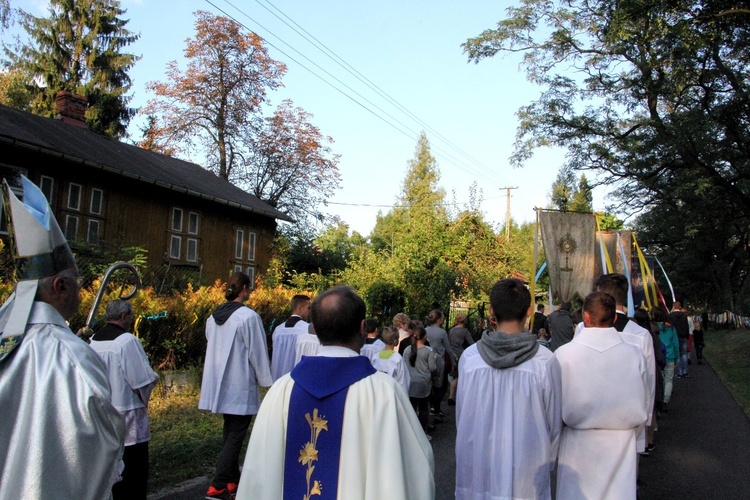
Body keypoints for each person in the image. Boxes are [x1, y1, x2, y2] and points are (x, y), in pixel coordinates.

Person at [237, 286, 434, 499]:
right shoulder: (384, 392)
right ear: (362, 327)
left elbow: (256, 474)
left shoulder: (280, 391)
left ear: (314, 328)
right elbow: (417, 468)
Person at [0, 175, 124, 499]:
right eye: (77, 282)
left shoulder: (9, 336)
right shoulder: (74, 357)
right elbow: (101, 456)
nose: (81, 291)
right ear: (60, 287)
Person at [455, 278, 562, 499]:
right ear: (529, 311)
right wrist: (547, 461)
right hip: (527, 469)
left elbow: (462, 416)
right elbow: (553, 423)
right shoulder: (545, 362)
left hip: (479, 464)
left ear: (491, 311)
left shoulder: (471, 358)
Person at [554, 292, 649, 499]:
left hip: (577, 443)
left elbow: (553, 408)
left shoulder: (564, 354)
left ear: (585, 317)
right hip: (621, 443)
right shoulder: (634, 354)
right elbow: (645, 400)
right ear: (614, 318)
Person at [199, 271, 272, 499]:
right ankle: (218, 484)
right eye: (249, 288)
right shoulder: (248, 317)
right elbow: (257, 351)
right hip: (240, 385)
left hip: (221, 384)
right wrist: (266, 381)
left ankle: (232, 482)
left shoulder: (213, 317)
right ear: (243, 289)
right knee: (236, 435)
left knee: (229, 431)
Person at [90, 299, 159, 499]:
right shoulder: (127, 341)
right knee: (133, 474)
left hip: (102, 413)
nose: (131, 321)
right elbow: (141, 380)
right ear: (123, 317)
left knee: (111, 473)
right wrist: (145, 397)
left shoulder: (92, 340)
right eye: (130, 317)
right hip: (127, 414)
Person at [596, 273, 656, 456]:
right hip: (628, 418)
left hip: (592, 418)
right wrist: (646, 418)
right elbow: (649, 382)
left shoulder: (585, 329)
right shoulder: (641, 335)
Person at [404, 325, 438, 436]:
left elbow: (404, 366)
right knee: (424, 408)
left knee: (412, 408)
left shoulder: (407, 350)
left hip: (410, 383)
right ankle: (423, 431)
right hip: (424, 383)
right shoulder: (428, 351)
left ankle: (411, 432)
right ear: (425, 337)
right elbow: (433, 368)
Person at [270, 294, 311, 381]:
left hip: (278, 379)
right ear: (300, 308)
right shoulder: (306, 329)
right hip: (295, 379)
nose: (309, 312)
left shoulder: (278, 330)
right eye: (308, 308)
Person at [425, 309, 456, 421]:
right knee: (440, 385)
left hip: (427, 359)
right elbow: (449, 349)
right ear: (439, 320)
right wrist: (453, 362)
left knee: (430, 384)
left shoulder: (425, 330)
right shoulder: (442, 332)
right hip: (439, 361)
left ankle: (431, 407)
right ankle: (436, 408)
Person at [653, 306, 679, 413]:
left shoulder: (652, 327)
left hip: (657, 356)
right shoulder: (671, 328)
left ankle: (657, 401)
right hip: (670, 355)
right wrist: (676, 358)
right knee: (668, 379)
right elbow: (675, 344)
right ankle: (665, 400)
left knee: (659, 380)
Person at [371, 326, 410, 393]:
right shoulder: (397, 358)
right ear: (395, 341)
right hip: (393, 394)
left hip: (378, 392)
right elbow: (403, 382)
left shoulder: (375, 356)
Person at [447, 312, 474, 405]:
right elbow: (471, 343)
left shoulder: (452, 330)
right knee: (459, 376)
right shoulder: (465, 331)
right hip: (461, 354)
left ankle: (451, 396)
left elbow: (449, 342)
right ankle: (457, 396)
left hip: (452, 353)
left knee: (455, 375)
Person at [669, 301, 690, 378]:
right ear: (680, 307)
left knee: (677, 354)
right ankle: (685, 371)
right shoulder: (684, 315)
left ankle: (679, 372)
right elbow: (686, 326)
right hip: (683, 336)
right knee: (684, 354)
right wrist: (687, 336)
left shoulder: (670, 316)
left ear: (673, 307)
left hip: (675, 336)